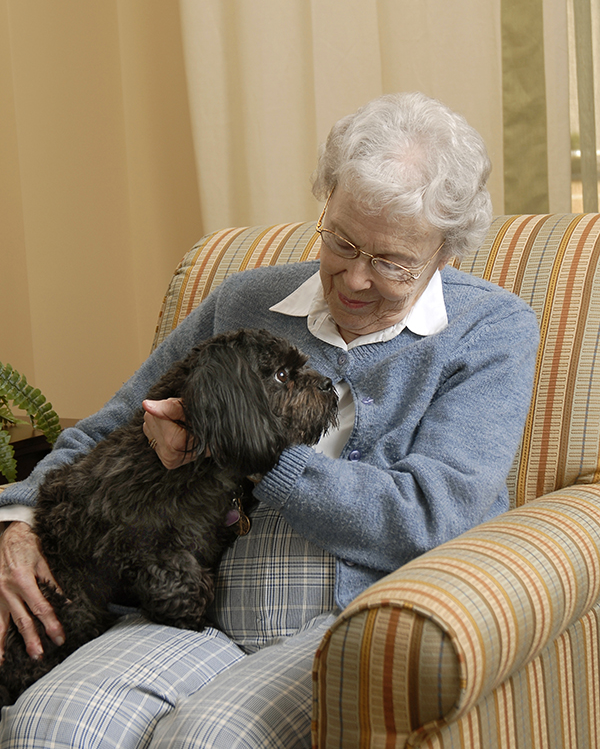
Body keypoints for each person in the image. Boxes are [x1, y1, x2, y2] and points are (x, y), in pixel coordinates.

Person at [0, 92, 539, 748]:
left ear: (445, 255)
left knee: (203, 739)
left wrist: (252, 447)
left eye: (391, 262)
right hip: (198, 609)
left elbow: (433, 517)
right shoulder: (246, 301)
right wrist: (18, 518)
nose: (355, 279)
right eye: (341, 240)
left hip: (344, 623)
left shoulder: (488, 331)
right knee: (45, 725)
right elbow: (104, 429)